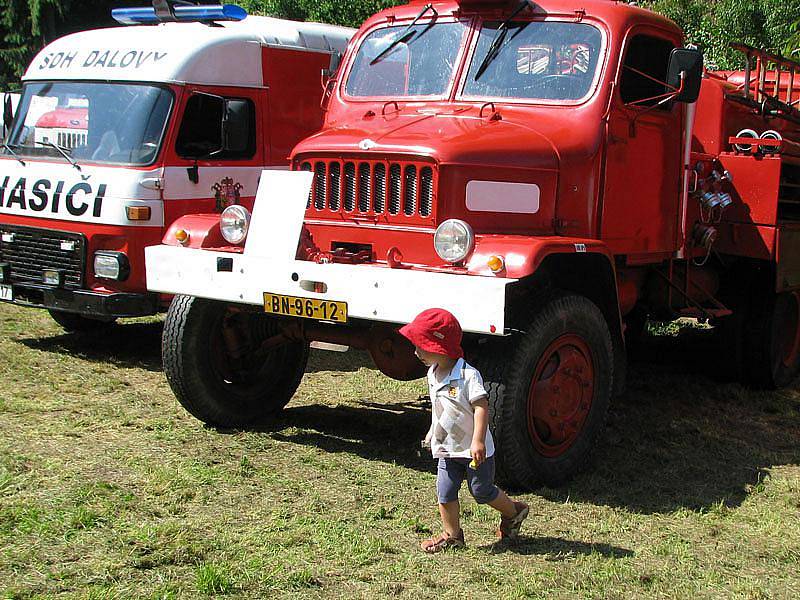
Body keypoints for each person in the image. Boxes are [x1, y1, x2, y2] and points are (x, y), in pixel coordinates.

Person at [399, 308, 529, 553]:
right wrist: (432, 431)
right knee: (445, 492)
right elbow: (439, 408)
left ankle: (514, 511)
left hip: (473, 452)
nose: (416, 352)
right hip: (447, 450)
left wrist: (478, 440)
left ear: (439, 346)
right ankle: (452, 535)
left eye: (421, 345)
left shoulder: (468, 376)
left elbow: (481, 407)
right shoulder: (433, 373)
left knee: (481, 491)